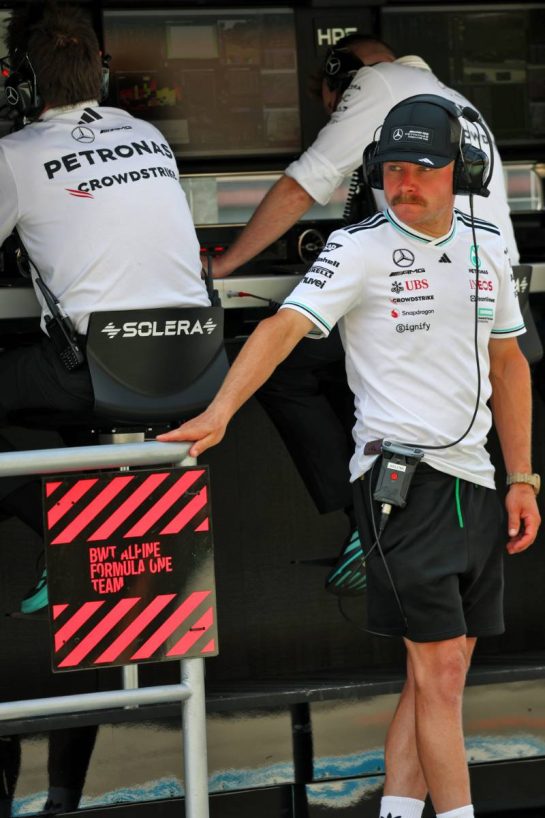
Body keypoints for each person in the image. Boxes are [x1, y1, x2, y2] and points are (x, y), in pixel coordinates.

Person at [159, 95, 541, 818]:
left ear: (459, 170)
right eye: (392, 168)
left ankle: (397, 812)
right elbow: (281, 328)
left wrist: (521, 476)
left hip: (477, 480)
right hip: (399, 481)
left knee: (444, 669)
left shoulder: (487, 241)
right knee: (437, 669)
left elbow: (509, 362)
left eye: (422, 168)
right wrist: (220, 411)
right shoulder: (356, 248)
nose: (404, 183)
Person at [207, 33, 522, 594]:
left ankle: (363, 516)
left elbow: (304, 183)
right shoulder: (452, 100)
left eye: (330, 103)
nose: (334, 114)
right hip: (492, 297)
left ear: (340, 77)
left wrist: (227, 263)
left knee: (285, 368)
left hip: (435, 308)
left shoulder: (375, 84)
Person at [0, 4, 209, 814]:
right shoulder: (143, 133)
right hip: (189, 369)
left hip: (98, 376)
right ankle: (63, 797)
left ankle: (53, 525)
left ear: (18, 84)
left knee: (86, 527)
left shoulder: (16, 153)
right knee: (105, 579)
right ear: (102, 73)